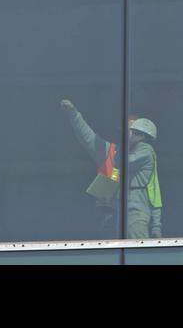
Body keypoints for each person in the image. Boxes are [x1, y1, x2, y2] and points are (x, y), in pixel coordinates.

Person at [59, 99, 163, 238]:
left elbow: (154, 195)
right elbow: (88, 137)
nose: (127, 134)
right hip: (109, 215)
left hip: (134, 212)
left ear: (140, 134)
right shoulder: (112, 152)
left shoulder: (144, 153)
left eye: (131, 130)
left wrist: (156, 225)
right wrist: (73, 114)